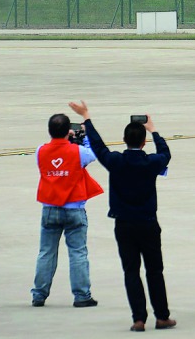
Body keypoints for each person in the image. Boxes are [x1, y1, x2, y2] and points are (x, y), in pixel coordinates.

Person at [71, 101, 175, 332]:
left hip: (124, 224)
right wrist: (154, 130)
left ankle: (138, 318)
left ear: (125, 140)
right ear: (143, 142)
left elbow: (98, 147)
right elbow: (165, 154)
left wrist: (86, 117)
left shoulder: (116, 161)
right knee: (154, 271)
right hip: (148, 223)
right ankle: (161, 316)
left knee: (131, 271)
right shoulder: (150, 163)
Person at [31, 111, 103, 309]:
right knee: (78, 253)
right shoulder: (77, 152)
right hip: (74, 208)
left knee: (46, 252)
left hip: (49, 207)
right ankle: (81, 295)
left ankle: (39, 294)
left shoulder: (40, 151)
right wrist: (84, 138)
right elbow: (92, 154)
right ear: (68, 131)